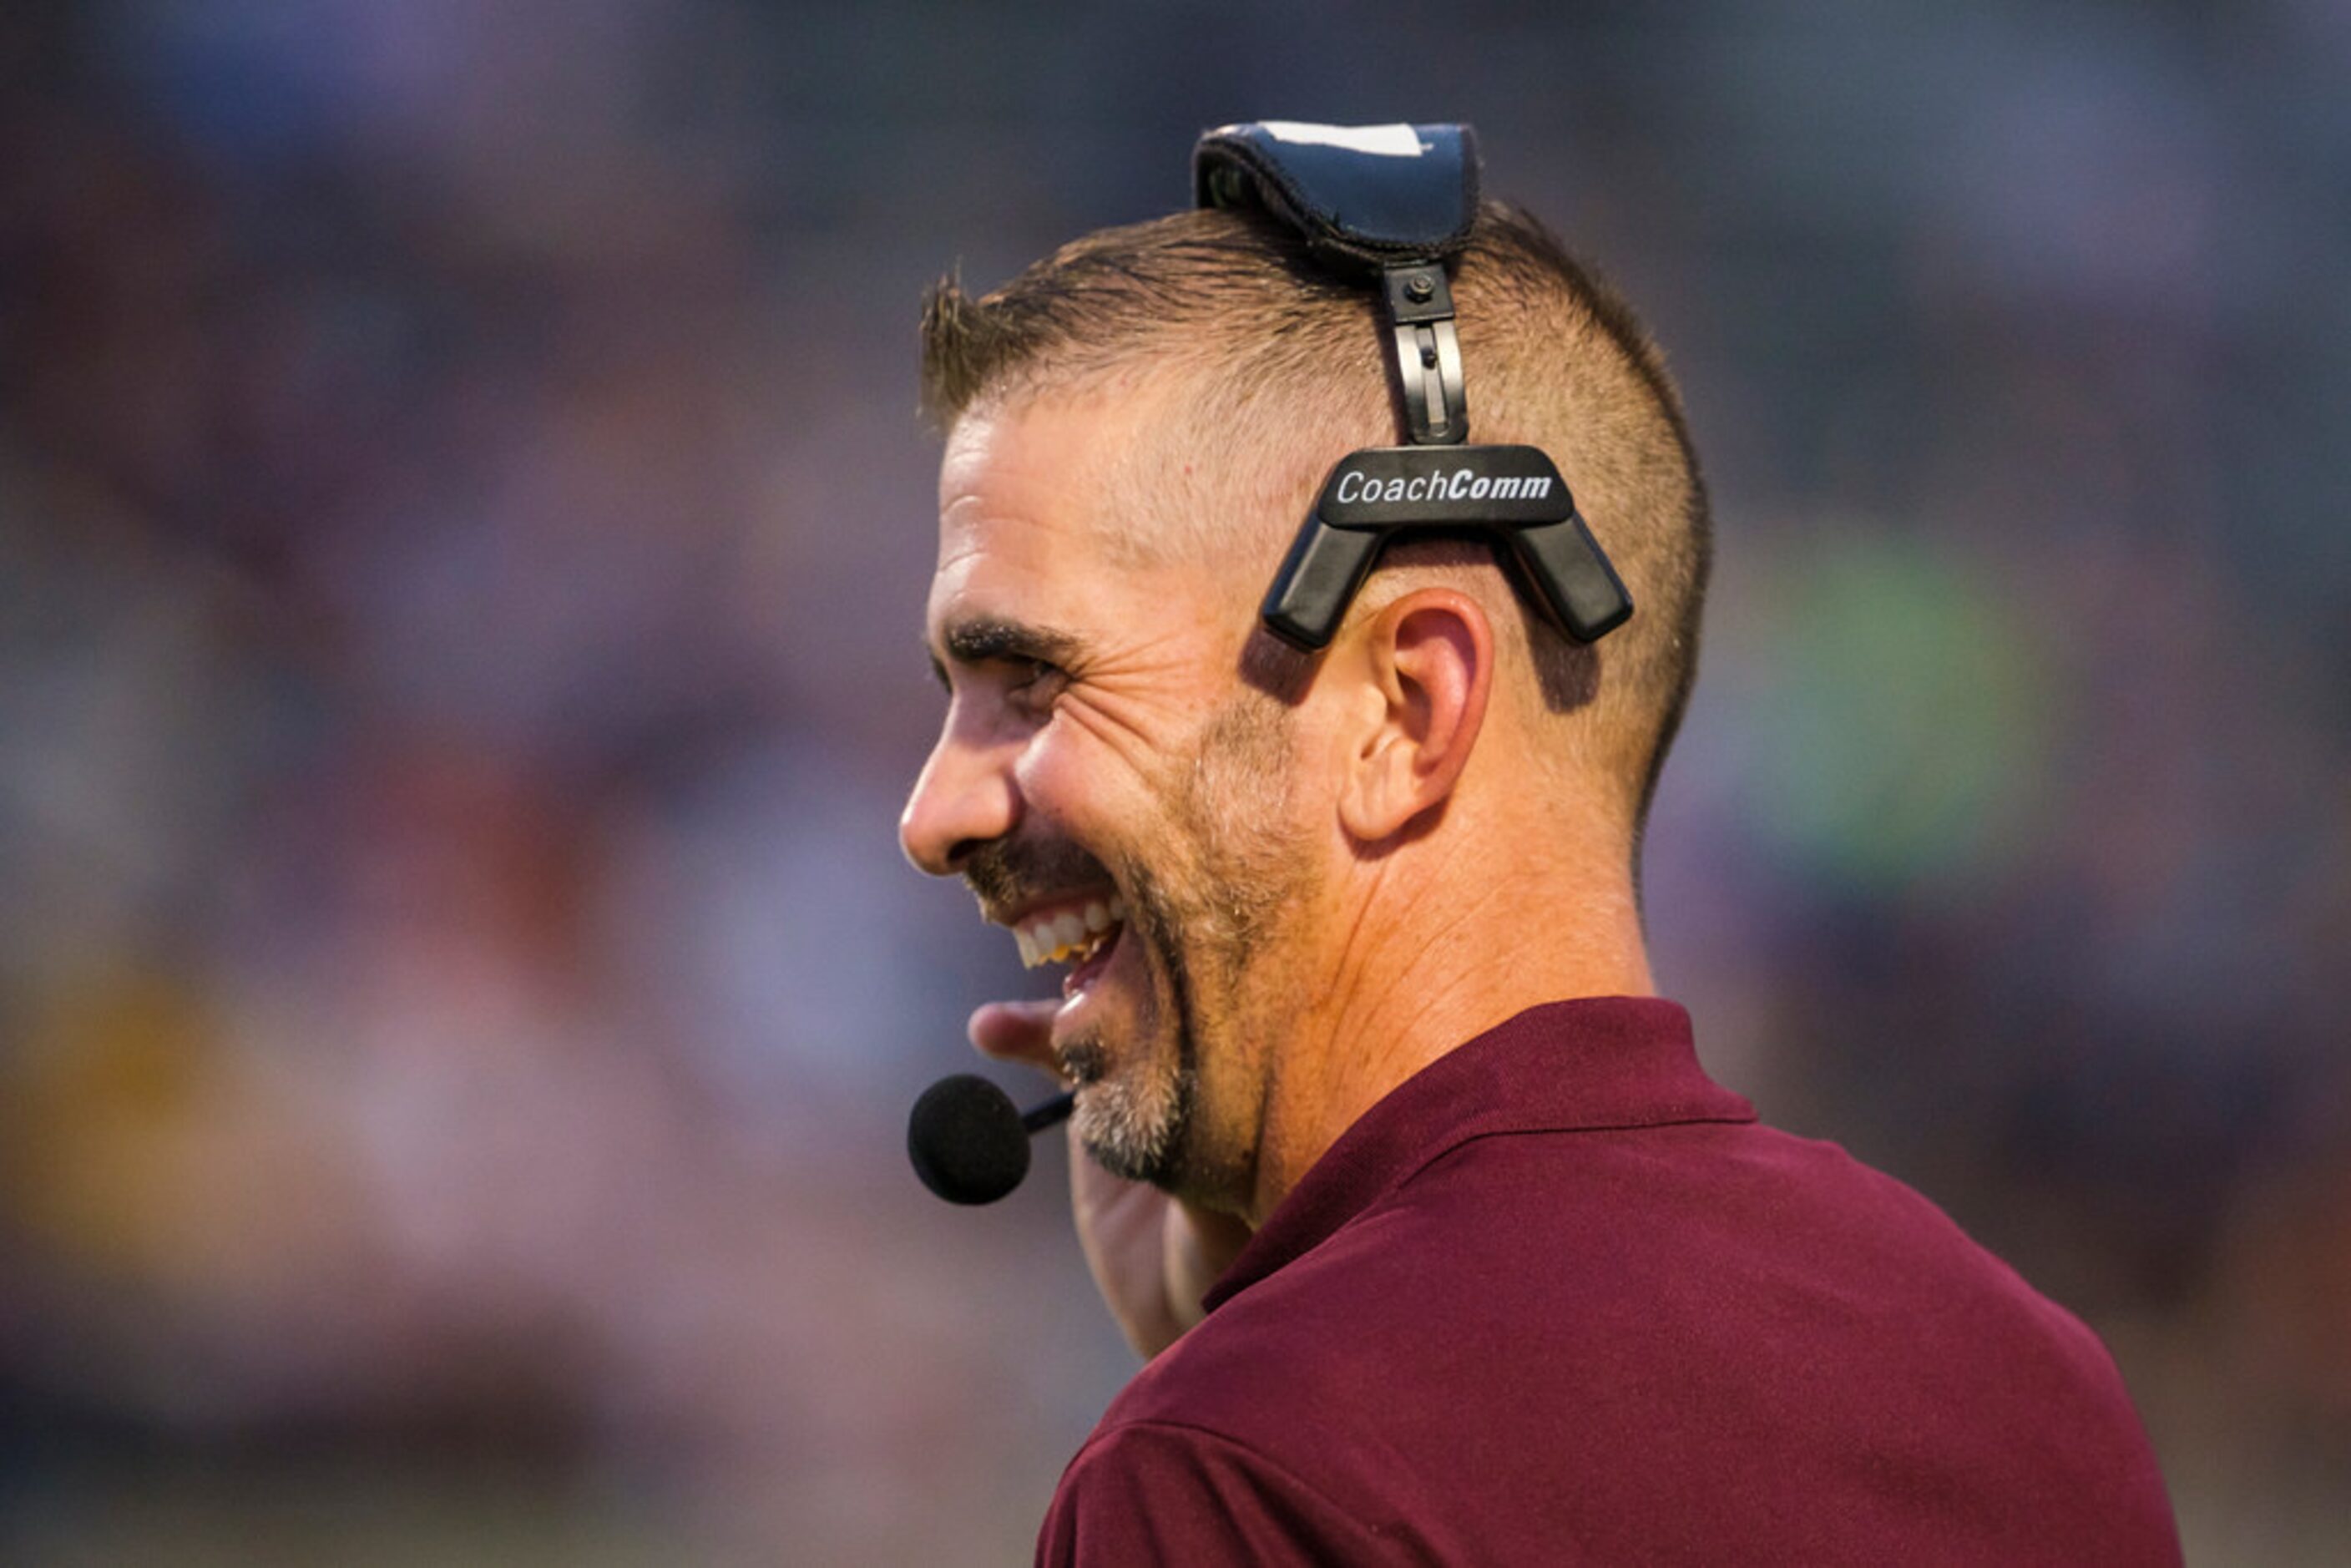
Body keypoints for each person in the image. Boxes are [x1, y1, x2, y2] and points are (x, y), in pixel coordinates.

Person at [899, 168, 2181, 1563]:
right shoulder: (2031, 1381)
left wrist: (1232, 1391)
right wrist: (1242, 1310)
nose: (934, 811)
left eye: (1031, 679)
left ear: (1410, 709)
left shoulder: (1235, 1471)